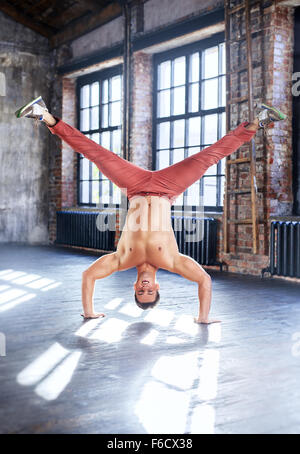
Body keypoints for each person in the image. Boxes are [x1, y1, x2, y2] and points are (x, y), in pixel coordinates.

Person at [15, 97, 286, 323]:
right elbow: (204, 281)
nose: (145, 289)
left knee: (95, 153)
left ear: (135, 288)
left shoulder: (121, 260)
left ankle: (43, 115)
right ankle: (259, 121)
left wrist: (89, 313)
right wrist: (203, 317)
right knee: (209, 157)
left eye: (141, 293)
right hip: (168, 188)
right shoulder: (172, 260)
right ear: (157, 288)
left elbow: (88, 276)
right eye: (150, 293)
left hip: (134, 186)